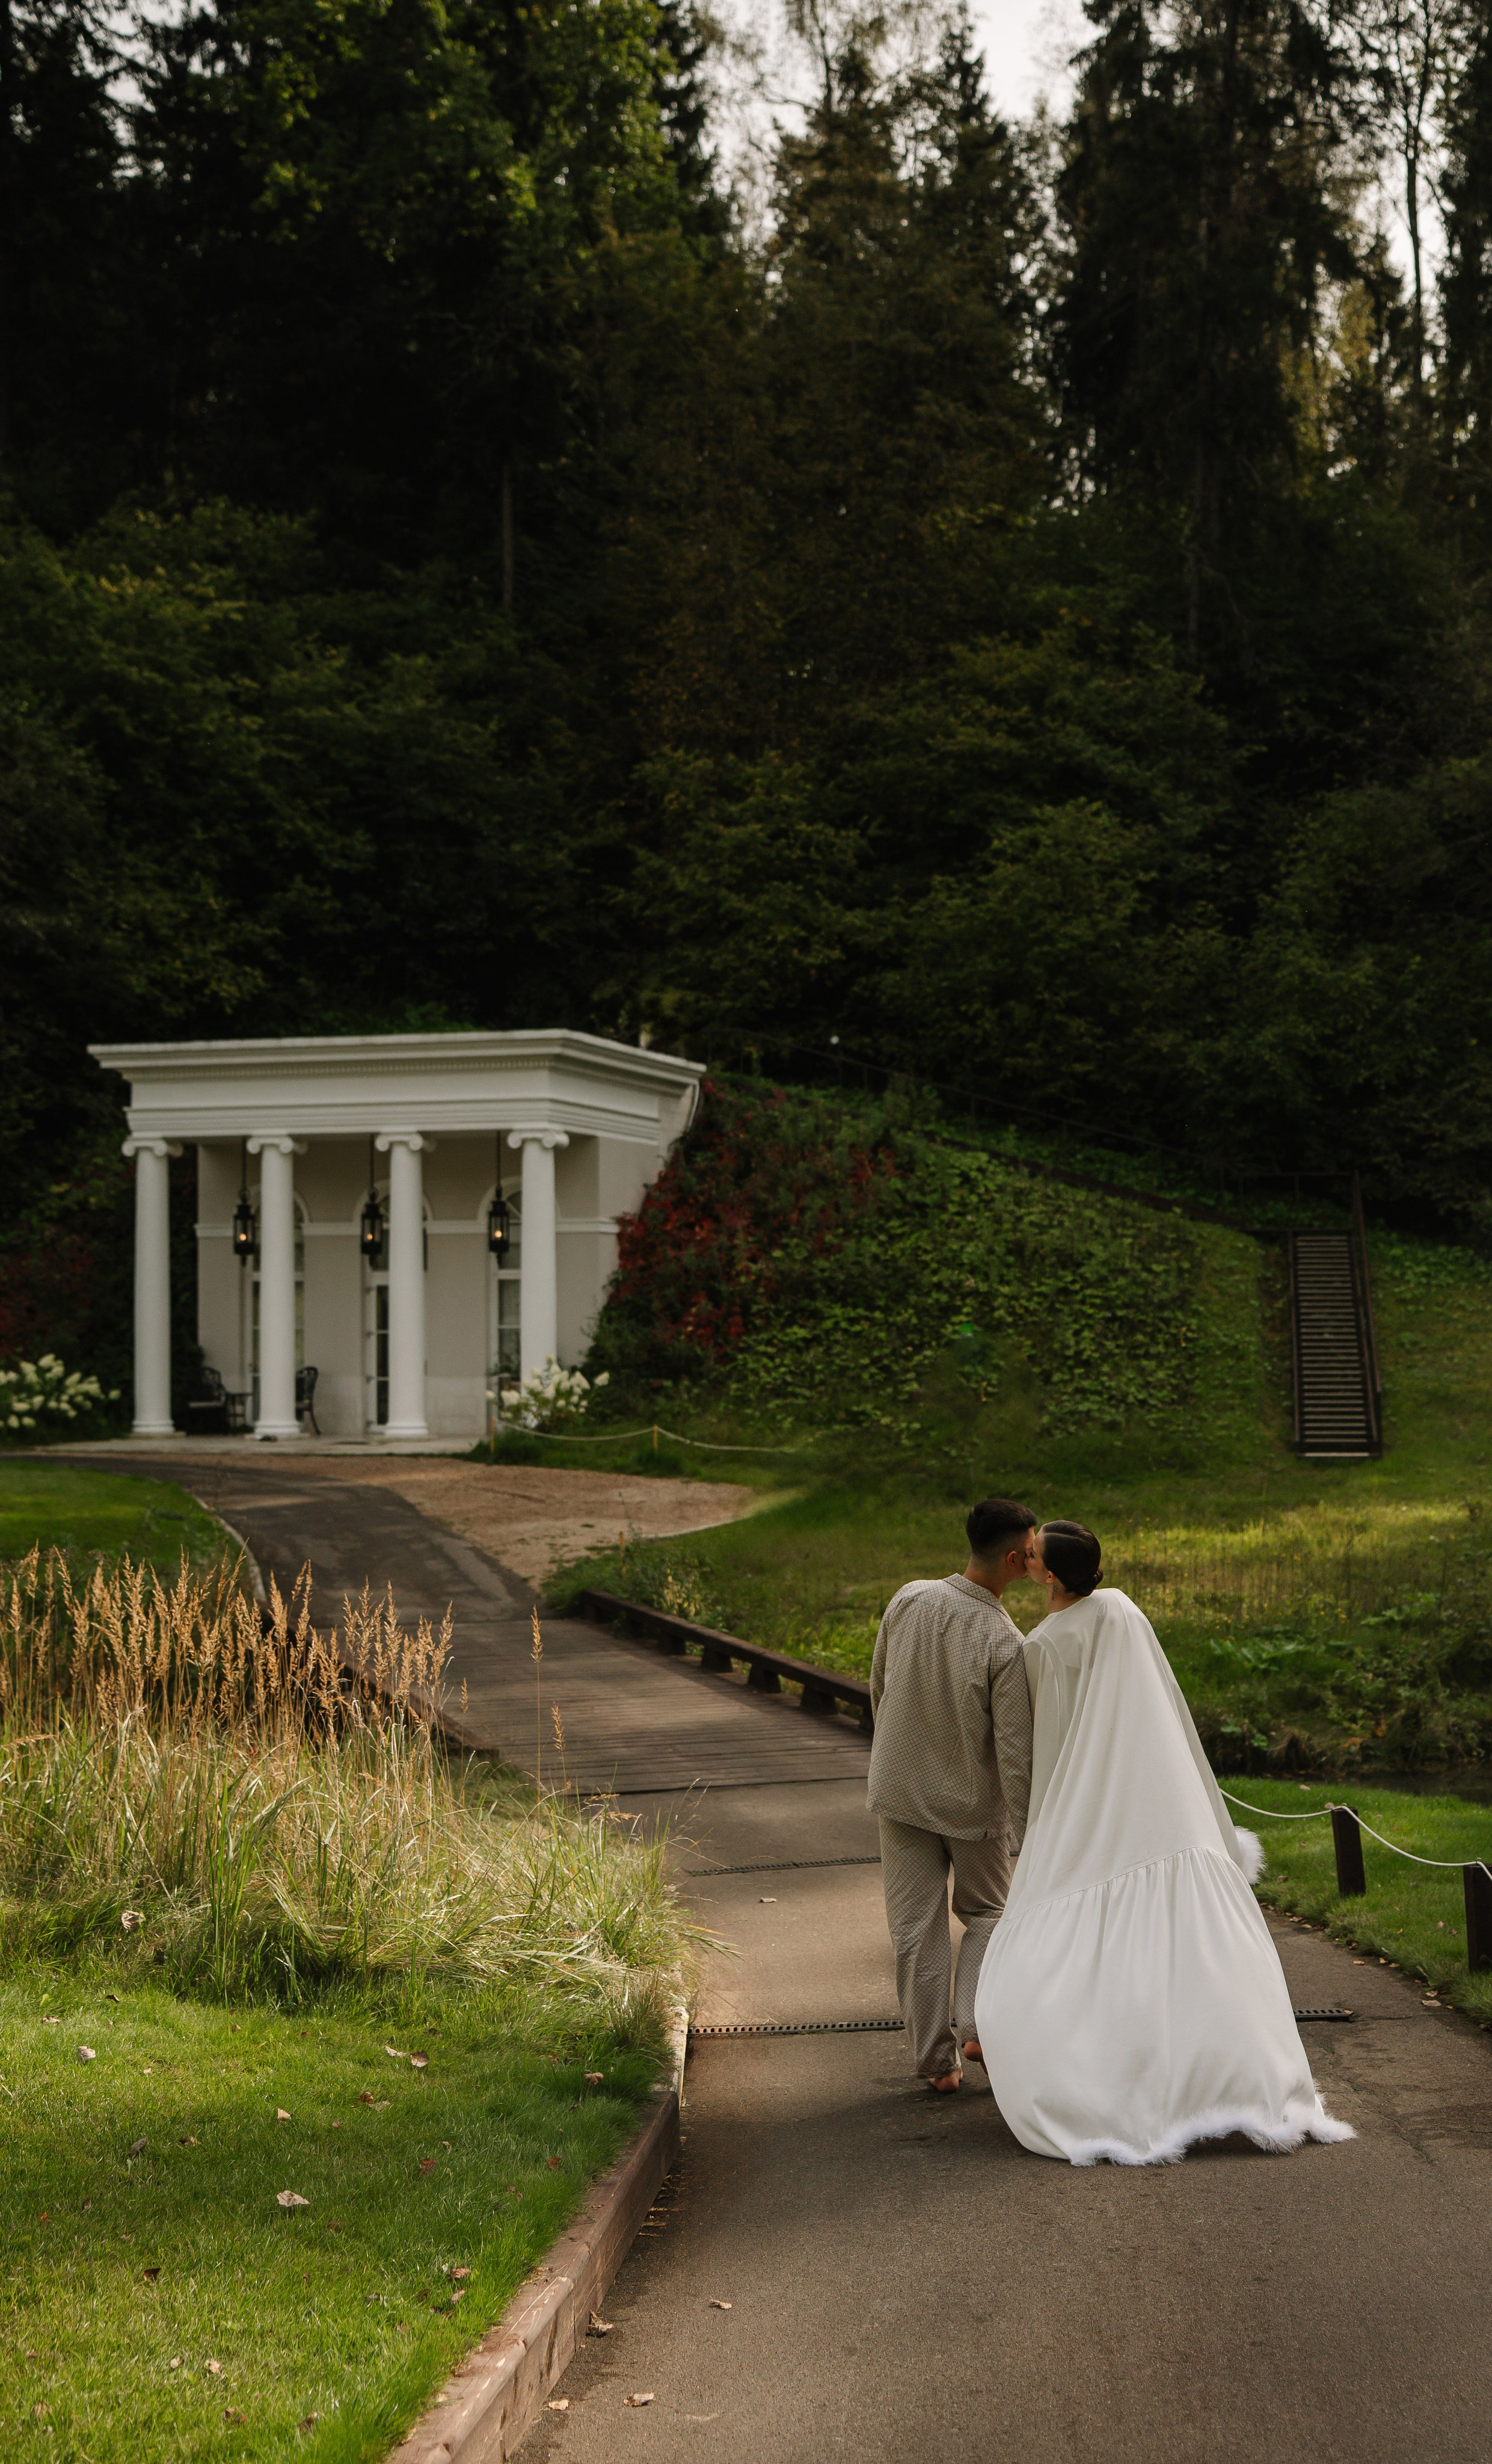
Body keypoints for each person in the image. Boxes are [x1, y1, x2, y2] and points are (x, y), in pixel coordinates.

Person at [975, 1520, 1355, 2165]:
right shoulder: (1121, 1612)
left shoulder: (1043, 1646)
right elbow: (1162, 1701)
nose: (1025, 1556)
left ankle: (1124, 2083)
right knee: (1198, 1936)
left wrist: (1046, 1817)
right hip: (1157, 1788)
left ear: (1049, 1574)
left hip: (1092, 1798)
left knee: (1083, 1936)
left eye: (1032, 1554)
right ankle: (1238, 2079)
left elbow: (1055, 1742)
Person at [867, 1497, 1037, 2093]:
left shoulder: (909, 1598)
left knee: (914, 1928)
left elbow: (879, 1686)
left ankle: (937, 2063)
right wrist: (1026, 1828)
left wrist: (892, 1755)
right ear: (1014, 1558)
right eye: (1031, 1550)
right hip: (970, 1807)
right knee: (988, 1913)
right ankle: (974, 2024)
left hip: (899, 1791)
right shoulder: (1005, 1640)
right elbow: (1013, 1749)